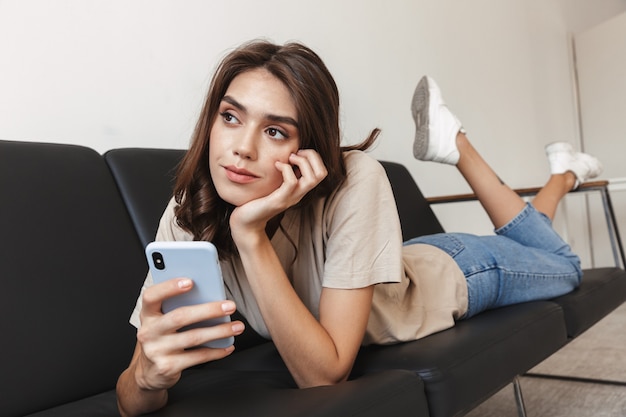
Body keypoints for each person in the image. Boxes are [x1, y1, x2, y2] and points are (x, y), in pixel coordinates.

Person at [116, 40, 603, 416]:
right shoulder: (190, 209)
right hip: (397, 264)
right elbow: (129, 397)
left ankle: (461, 146)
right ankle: (565, 173)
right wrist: (146, 376)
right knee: (534, 241)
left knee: (565, 265)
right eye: (230, 116)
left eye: (275, 131)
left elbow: (323, 376)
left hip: (459, 273)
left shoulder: (358, 178)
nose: (242, 148)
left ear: (307, 150)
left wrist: (250, 235)